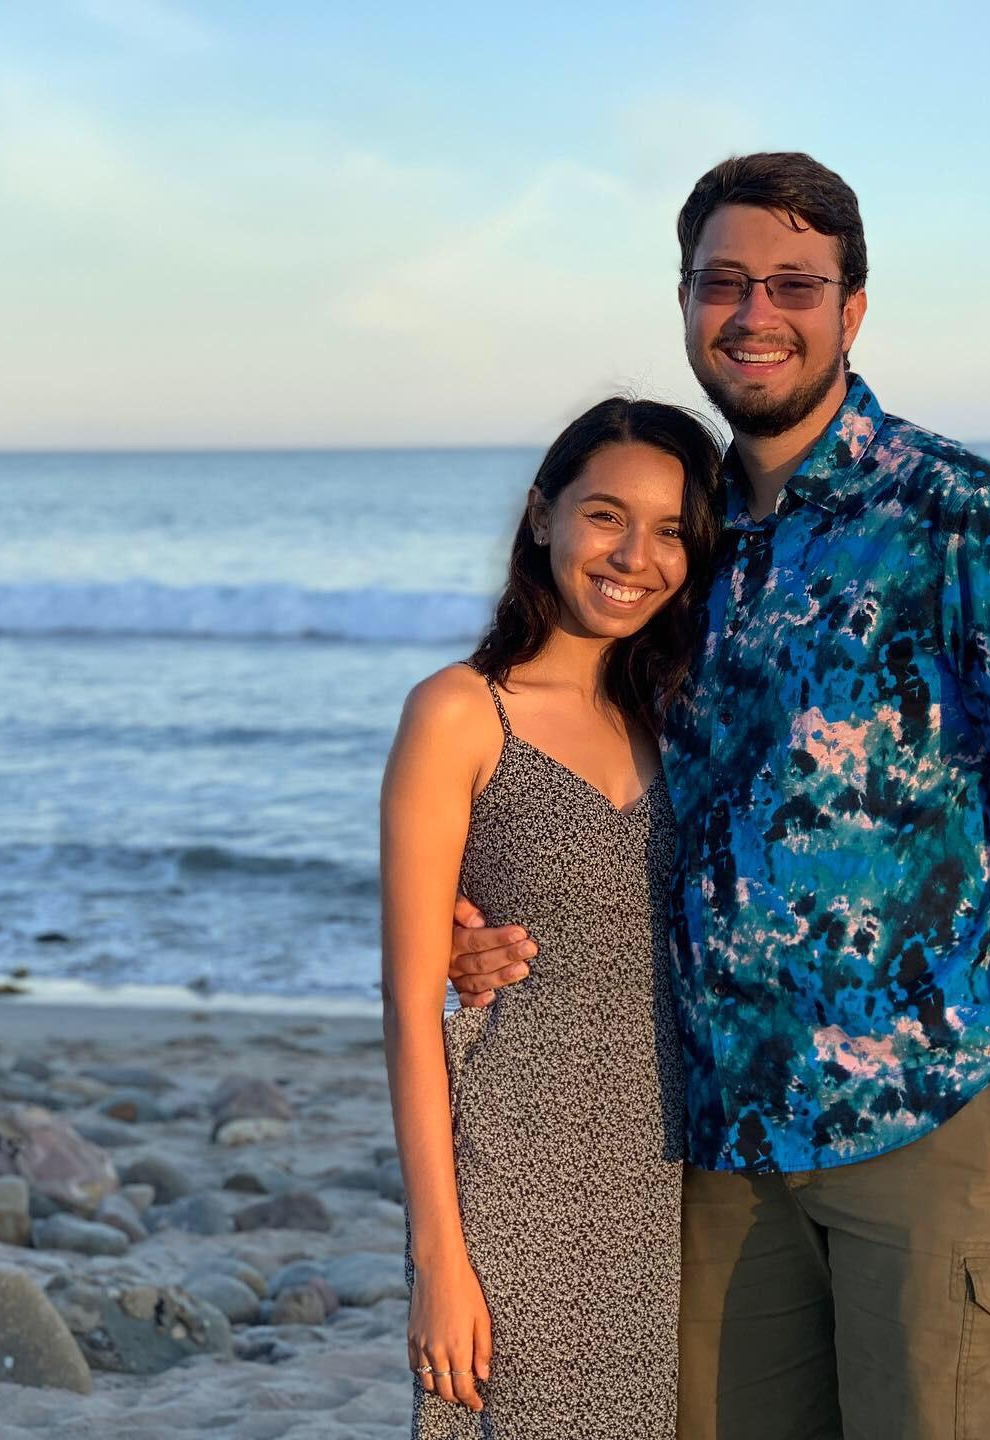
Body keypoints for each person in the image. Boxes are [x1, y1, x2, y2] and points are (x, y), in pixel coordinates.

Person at [449, 153, 990, 1440]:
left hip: (928, 1117)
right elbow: (573, 756)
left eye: (794, 284)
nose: (756, 313)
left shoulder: (959, 514)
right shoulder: (680, 542)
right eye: (725, 282)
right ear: (686, 301)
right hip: (712, 1146)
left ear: (851, 308)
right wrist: (473, 918)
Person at [379, 395, 722, 1437]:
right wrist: (439, 1258)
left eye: (670, 531)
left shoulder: (686, 718)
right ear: (542, 515)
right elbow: (408, 1007)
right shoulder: (459, 712)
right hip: (516, 1169)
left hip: (683, 1179)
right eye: (606, 515)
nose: (635, 557)